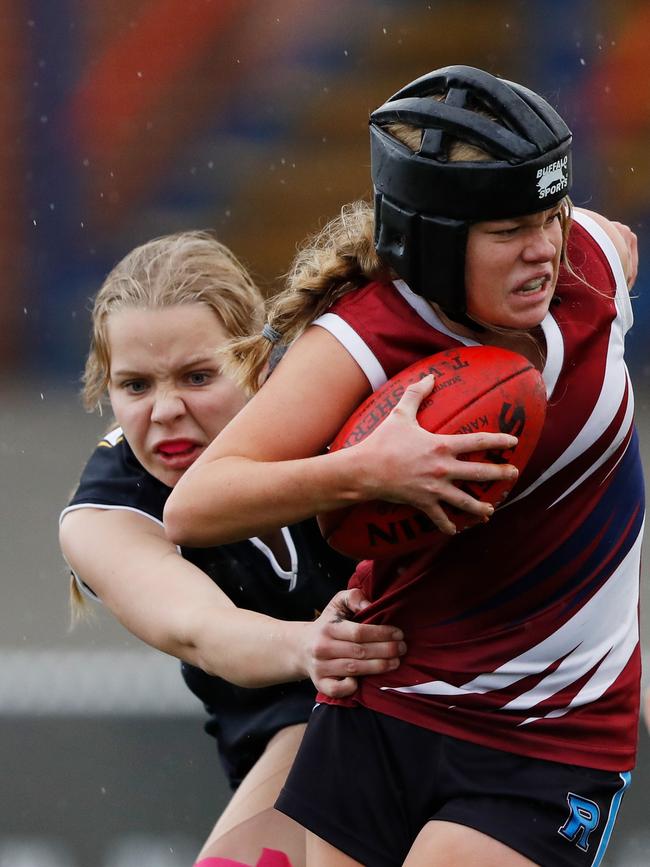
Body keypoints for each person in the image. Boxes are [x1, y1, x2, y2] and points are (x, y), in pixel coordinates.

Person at [164, 65, 643, 867]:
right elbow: (196, 506)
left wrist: (571, 228)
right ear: (432, 239)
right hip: (383, 710)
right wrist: (367, 470)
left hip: (550, 735)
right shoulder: (366, 339)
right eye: (507, 230)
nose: (542, 250)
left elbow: (613, 242)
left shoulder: (589, 260)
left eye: (549, 214)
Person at [58, 230, 408, 867]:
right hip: (300, 731)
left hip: (438, 707)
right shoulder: (104, 513)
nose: (164, 410)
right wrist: (308, 645)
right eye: (134, 385)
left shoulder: (346, 403)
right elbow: (200, 629)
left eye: (196, 376)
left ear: (261, 359)